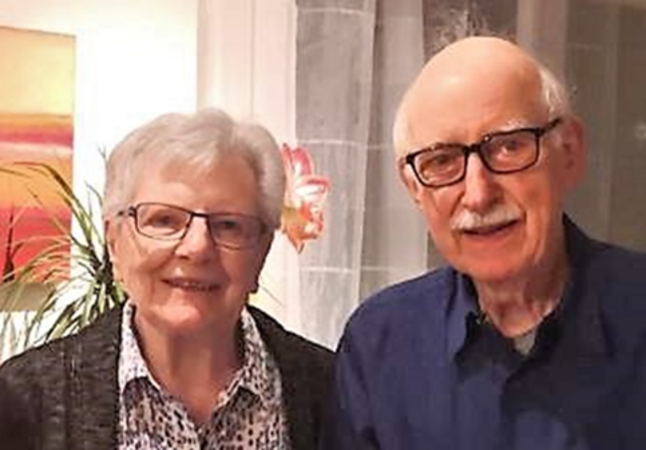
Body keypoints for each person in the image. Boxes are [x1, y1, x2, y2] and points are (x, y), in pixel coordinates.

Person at [321, 36, 646, 449]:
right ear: (413, 187)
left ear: (569, 152)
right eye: (442, 161)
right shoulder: (380, 345)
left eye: (509, 146)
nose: (477, 194)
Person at [0, 108, 334, 449]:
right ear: (114, 243)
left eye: (229, 225)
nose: (197, 248)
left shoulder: (330, 392)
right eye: (164, 220)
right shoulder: (24, 401)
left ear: (262, 250)